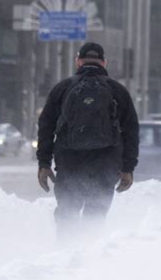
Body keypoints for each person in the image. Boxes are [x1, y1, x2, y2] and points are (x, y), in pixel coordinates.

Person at [36, 42, 139, 243]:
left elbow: (46, 127)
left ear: (78, 61)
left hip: (69, 163)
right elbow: (131, 132)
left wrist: (44, 163)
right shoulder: (117, 90)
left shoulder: (63, 88)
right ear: (103, 62)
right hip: (105, 165)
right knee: (95, 217)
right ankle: (87, 262)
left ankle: (62, 258)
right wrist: (128, 168)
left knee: (67, 214)